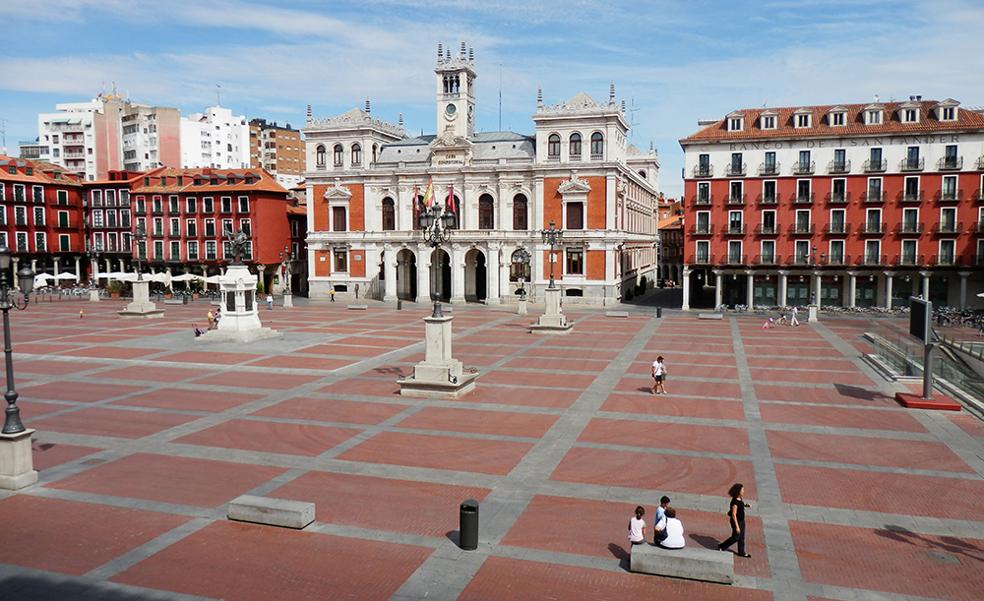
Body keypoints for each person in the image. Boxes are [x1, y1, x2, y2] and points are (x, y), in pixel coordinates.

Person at [718, 482, 751, 558]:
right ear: (738, 492)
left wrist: (746, 505)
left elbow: (741, 505)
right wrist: (737, 527)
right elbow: (733, 515)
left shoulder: (739, 499)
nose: (743, 491)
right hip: (737, 522)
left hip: (742, 521)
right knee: (736, 537)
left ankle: (741, 552)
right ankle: (722, 546)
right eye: (742, 490)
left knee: (741, 537)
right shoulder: (734, 503)